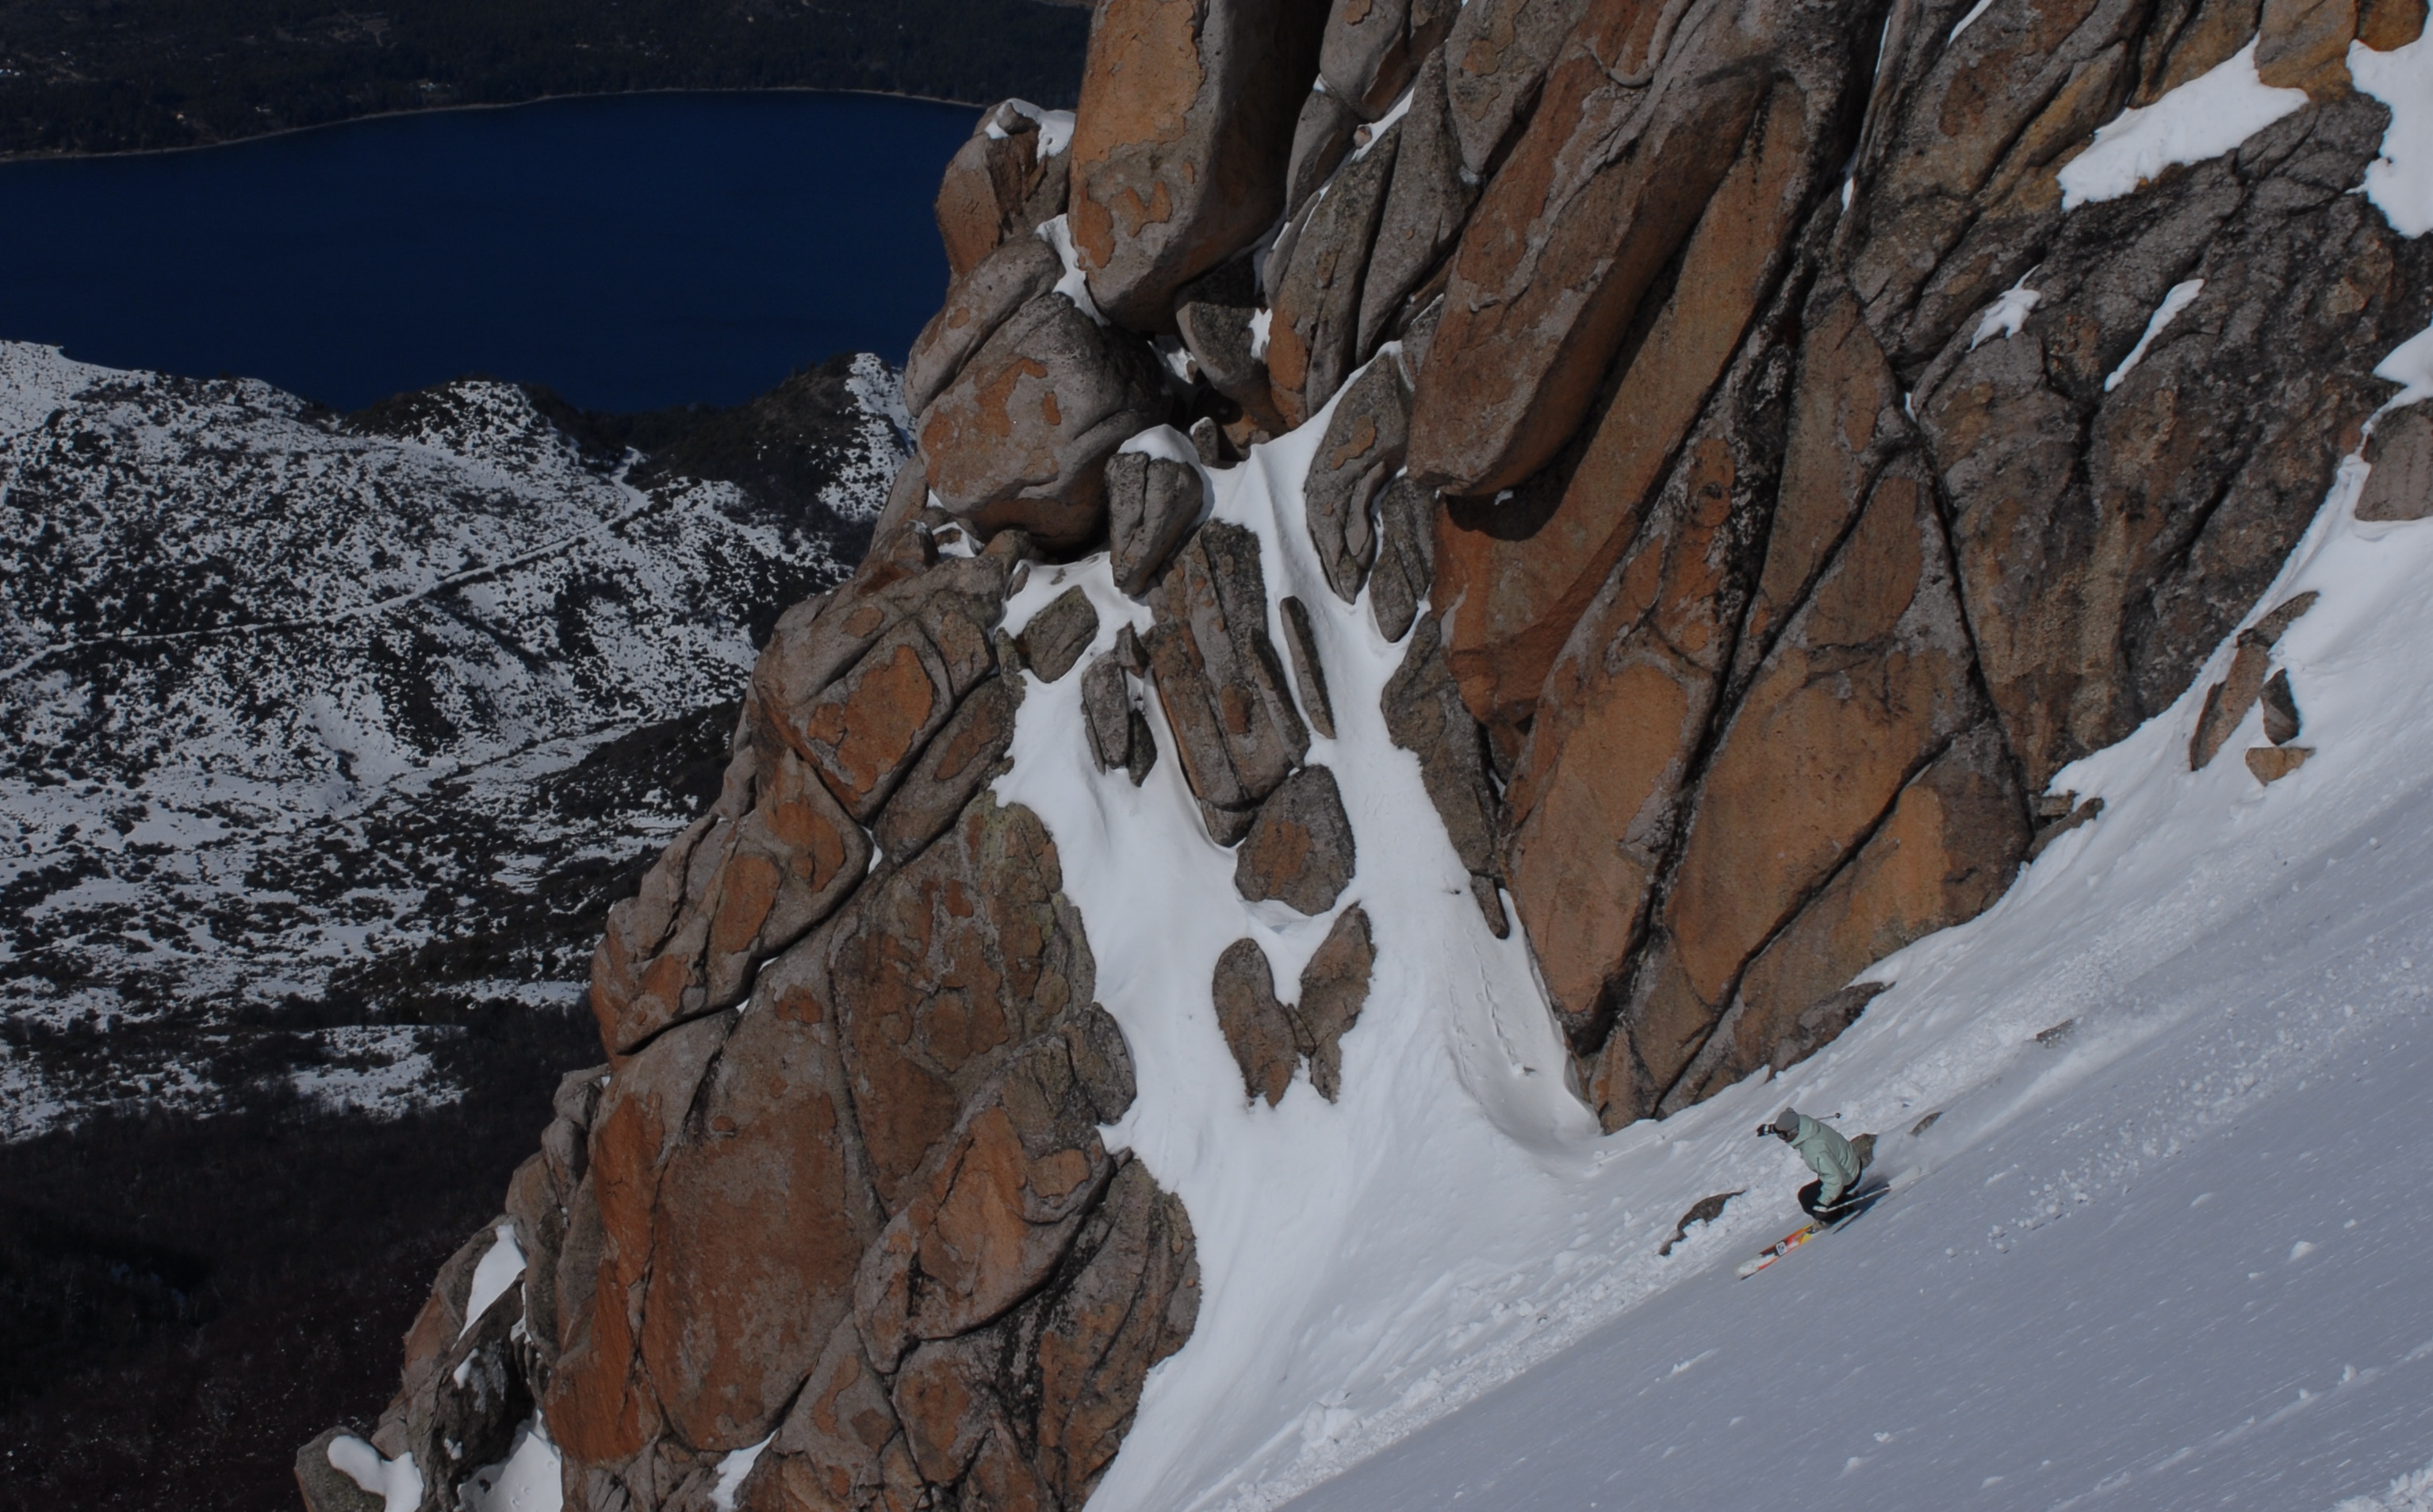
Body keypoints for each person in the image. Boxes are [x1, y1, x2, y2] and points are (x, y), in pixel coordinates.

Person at [1759, 1106, 1873, 1225]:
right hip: (1851, 1162)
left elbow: (1835, 1178)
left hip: (1848, 1177)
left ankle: (1839, 1212)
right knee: (1822, 1181)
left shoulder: (1814, 1149)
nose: (1782, 1139)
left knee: (1806, 1198)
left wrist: (1822, 1204)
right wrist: (1771, 1129)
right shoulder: (1805, 1124)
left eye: (1782, 1136)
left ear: (1793, 1132)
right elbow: (1787, 1124)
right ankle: (1839, 1199)